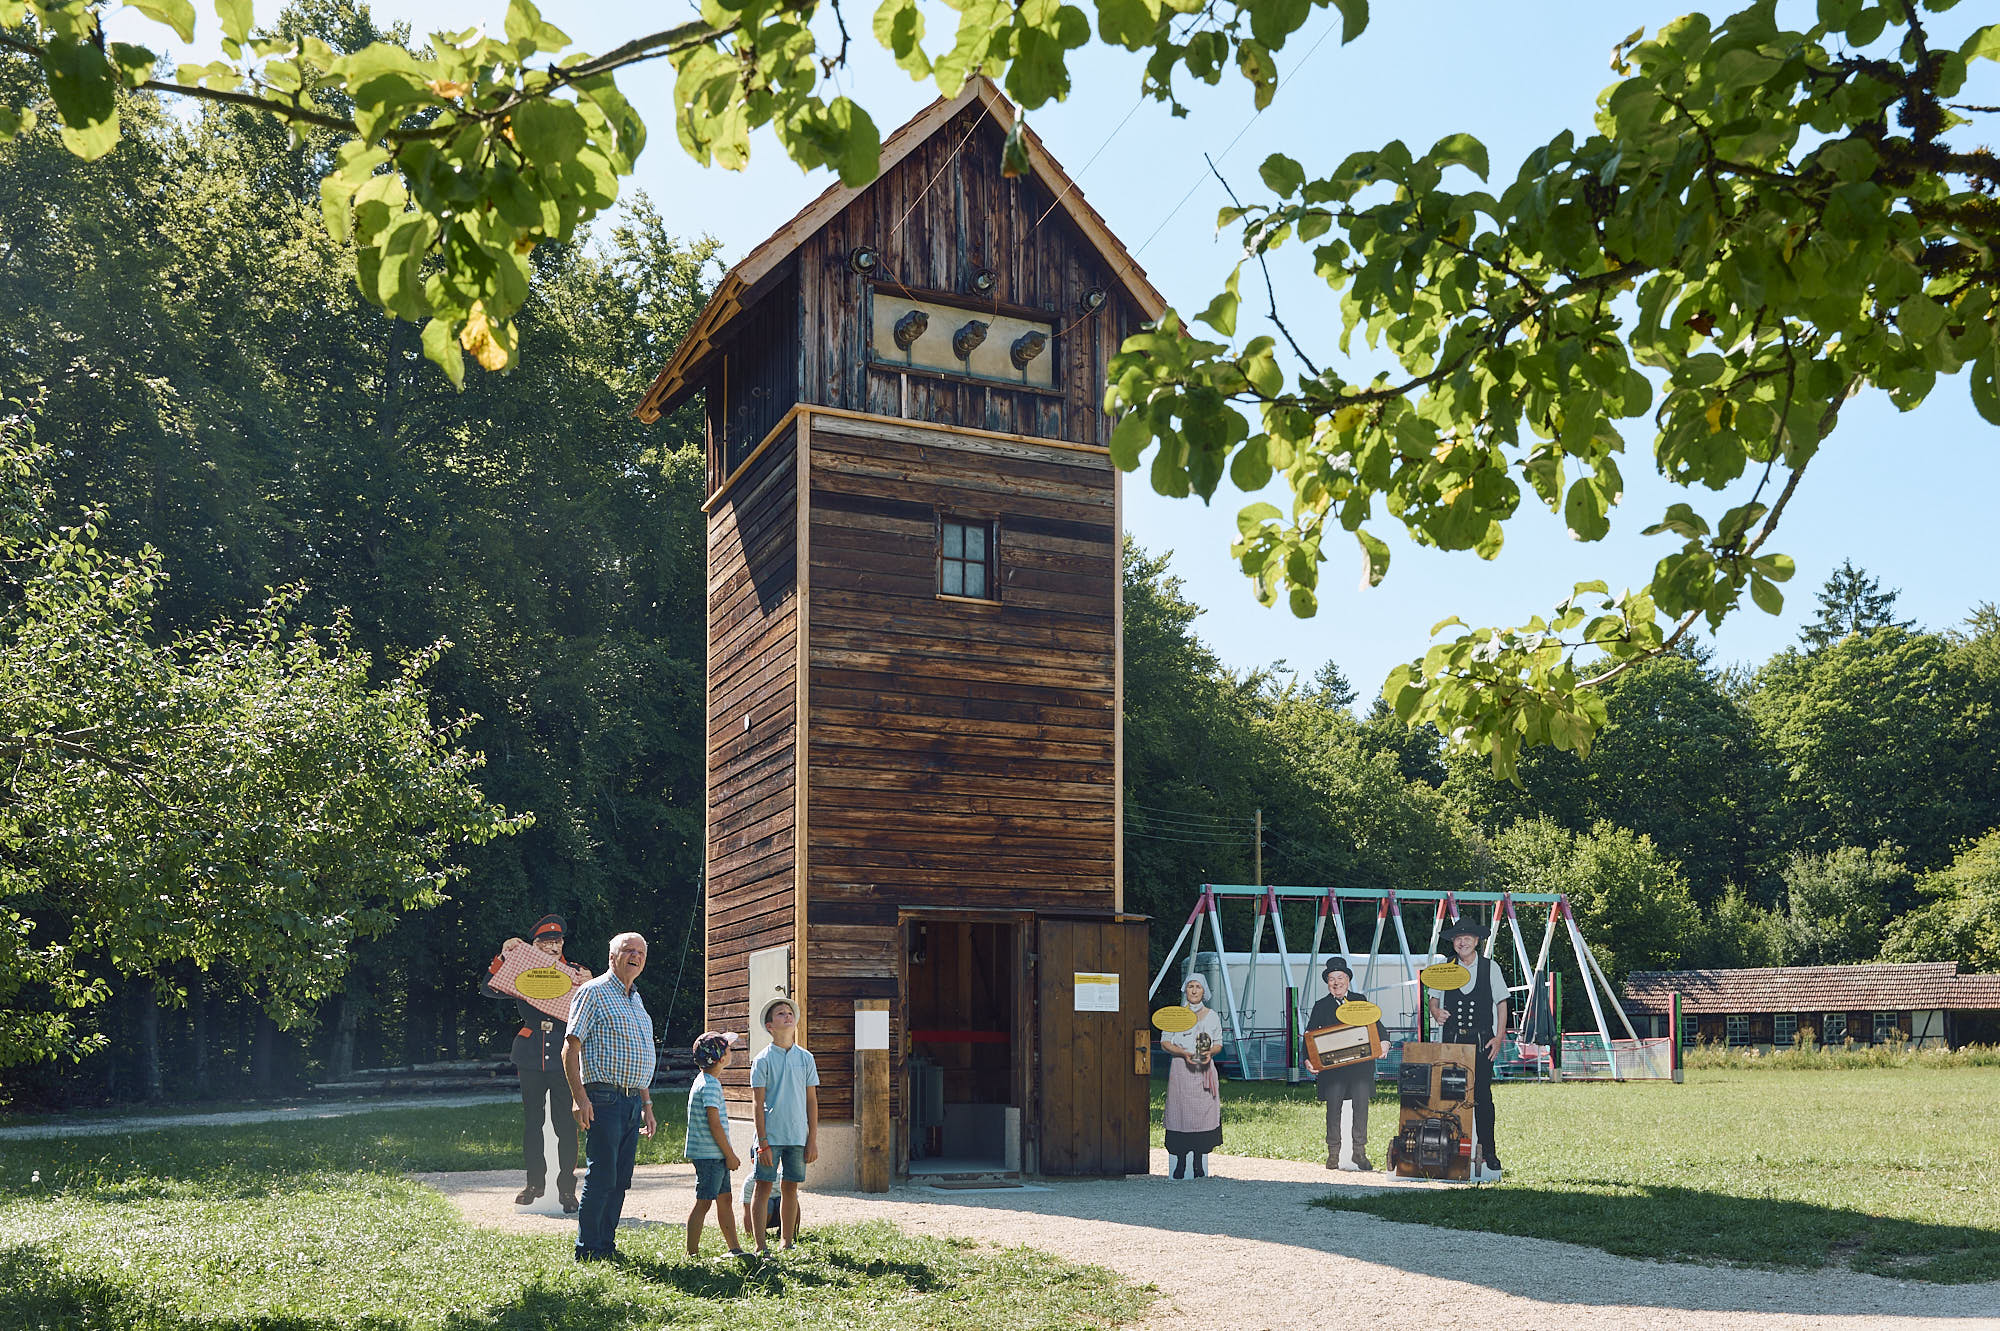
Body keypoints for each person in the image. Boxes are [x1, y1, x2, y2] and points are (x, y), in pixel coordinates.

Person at [480, 913, 593, 1211]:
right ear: (535, 945)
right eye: (545, 943)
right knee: (533, 1123)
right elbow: (489, 988)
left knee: (565, 1126)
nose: (553, 948)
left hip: (563, 1052)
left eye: (557, 942)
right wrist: (505, 954)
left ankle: (567, 1190)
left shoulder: (577, 973)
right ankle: (534, 1184)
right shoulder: (522, 969)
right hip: (530, 1052)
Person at [563, 931, 657, 1262]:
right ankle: (588, 1250)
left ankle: (606, 1245)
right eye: (628, 950)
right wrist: (579, 1098)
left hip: (632, 1102)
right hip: (603, 1097)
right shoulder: (593, 993)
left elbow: (640, 1053)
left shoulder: (636, 999)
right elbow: (570, 1048)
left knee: (620, 1181)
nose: (635, 956)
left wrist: (647, 1104)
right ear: (611, 956)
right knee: (602, 1177)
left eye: (641, 952)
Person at [1426, 919, 1509, 1174]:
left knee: (1483, 1097)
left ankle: (1489, 1153)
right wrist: (1435, 1012)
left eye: (1468, 938)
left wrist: (1499, 1036)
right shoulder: (1444, 968)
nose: (1463, 942)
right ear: (1453, 942)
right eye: (1458, 938)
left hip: (1482, 1040)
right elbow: (1433, 998)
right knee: (1451, 1097)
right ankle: (1452, 1151)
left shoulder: (1489, 967)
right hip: (1452, 1041)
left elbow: (1502, 1003)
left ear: (1476, 941)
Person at [748, 997, 819, 1253]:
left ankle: (786, 1242)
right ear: (770, 1025)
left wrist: (812, 1139)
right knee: (763, 1186)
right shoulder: (762, 1060)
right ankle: (760, 1246)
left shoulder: (806, 1058)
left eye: (789, 1012)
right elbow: (757, 1104)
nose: (787, 1016)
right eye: (780, 1014)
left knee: (791, 1188)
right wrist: (762, 1142)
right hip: (770, 1138)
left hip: (798, 1136)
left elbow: (811, 1100)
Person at [1305, 960, 1387, 1172]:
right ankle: (1333, 1153)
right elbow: (1310, 1036)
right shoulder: (1321, 1006)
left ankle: (1359, 1152)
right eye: (1331, 979)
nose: (1336, 983)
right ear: (1327, 983)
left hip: (1360, 1069)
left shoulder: (1361, 1001)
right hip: (1333, 1071)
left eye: (1340, 978)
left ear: (1348, 980)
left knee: (1361, 1108)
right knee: (1333, 1110)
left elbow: (1377, 1026)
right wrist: (1307, 1059)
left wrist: (1384, 1042)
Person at [685, 1031, 748, 1260]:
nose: (732, 1052)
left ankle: (734, 1248)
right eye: (729, 1049)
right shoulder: (710, 1085)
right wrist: (729, 1154)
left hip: (713, 1154)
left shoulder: (704, 1081)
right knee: (704, 1202)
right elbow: (715, 1125)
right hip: (711, 1155)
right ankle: (691, 1254)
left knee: (725, 1199)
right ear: (721, 1058)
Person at [1159, 973, 1224, 1180]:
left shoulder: (1212, 1016)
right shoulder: (1175, 1016)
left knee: (1202, 1116)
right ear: (1185, 990)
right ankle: (1180, 1162)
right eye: (1190, 987)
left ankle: (1198, 1161)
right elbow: (1165, 1042)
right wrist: (1183, 1053)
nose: (1194, 990)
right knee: (1180, 1115)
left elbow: (1218, 1043)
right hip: (1181, 1071)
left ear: (1204, 991)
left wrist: (1209, 1053)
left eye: (1198, 987)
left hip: (1203, 1070)